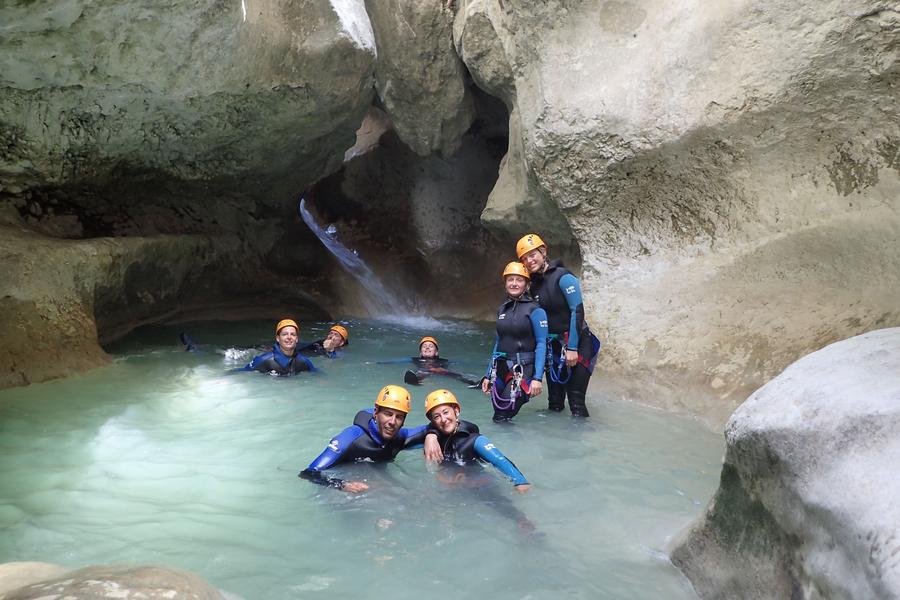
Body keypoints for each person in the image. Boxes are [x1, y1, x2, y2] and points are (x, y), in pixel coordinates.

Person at [516, 234, 601, 417]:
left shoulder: (563, 277)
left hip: (577, 344)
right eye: (524, 259)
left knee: (576, 400)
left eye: (532, 255)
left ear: (543, 251)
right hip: (551, 347)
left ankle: (581, 441)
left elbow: (577, 311)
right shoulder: (533, 285)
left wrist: (572, 347)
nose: (529, 261)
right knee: (554, 401)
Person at [300, 385, 438, 492]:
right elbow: (309, 473)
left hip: (375, 483)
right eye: (388, 414)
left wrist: (431, 435)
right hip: (344, 487)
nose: (392, 422)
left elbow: (441, 425)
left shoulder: (400, 436)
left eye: (399, 417)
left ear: (403, 421)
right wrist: (341, 485)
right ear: (376, 412)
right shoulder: (350, 438)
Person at [423, 389, 530, 492]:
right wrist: (430, 436)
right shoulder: (436, 439)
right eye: (437, 417)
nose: (443, 419)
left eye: (446, 412)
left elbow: (499, 460)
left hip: (480, 485)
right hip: (453, 487)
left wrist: (520, 482)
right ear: (433, 421)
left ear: (456, 411)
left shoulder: (474, 440)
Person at [481, 262, 548, 422]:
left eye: (519, 280)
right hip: (501, 367)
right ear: (505, 284)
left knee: (502, 416)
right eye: (510, 279)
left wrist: (538, 378)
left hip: (523, 369)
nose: (514, 283)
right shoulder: (502, 309)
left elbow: (541, 343)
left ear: (526, 284)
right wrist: (487, 375)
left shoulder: (535, 310)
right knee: (499, 415)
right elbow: (499, 342)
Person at [380, 336, 480, 386]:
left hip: (440, 371)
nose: (427, 348)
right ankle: (416, 380)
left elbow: (459, 363)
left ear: (436, 352)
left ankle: (472, 382)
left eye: (430, 346)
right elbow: (398, 361)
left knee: (457, 375)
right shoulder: (415, 359)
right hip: (424, 371)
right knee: (421, 372)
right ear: (420, 352)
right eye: (424, 347)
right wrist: (381, 363)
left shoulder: (443, 361)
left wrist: (480, 365)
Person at [237, 319, 316, 375]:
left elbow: (318, 375)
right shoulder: (263, 360)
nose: (289, 337)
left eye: (293, 334)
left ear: (297, 339)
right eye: (284, 334)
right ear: (278, 338)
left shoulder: (304, 362)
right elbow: (241, 372)